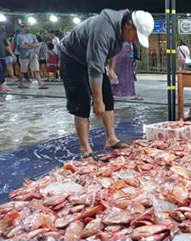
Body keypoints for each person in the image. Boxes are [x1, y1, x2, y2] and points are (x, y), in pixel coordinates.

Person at [60, 9, 154, 160]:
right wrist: (97, 101)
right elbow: (94, 67)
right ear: (129, 25)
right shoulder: (103, 29)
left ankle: (111, 139)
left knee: (108, 98)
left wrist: (110, 69)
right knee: (81, 102)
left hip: (93, 60)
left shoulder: (120, 30)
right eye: (136, 36)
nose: (135, 40)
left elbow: (111, 52)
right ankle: (86, 150)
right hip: (73, 57)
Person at [17, 24, 47, 89]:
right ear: (23, 28)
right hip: (24, 56)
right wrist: (32, 45)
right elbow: (21, 46)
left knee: (36, 69)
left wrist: (28, 44)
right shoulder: (19, 36)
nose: (28, 28)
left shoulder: (33, 36)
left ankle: (40, 83)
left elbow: (37, 44)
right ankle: (20, 83)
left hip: (33, 55)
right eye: (26, 27)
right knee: (23, 71)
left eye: (28, 27)